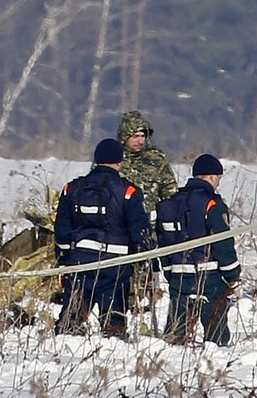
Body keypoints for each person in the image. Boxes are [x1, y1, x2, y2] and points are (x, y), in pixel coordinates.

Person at [54, 138, 150, 339]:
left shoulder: (71, 189)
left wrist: (64, 259)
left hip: (79, 264)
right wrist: (145, 261)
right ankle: (111, 352)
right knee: (113, 325)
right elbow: (139, 232)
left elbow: (62, 229)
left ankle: (63, 353)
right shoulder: (128, 191)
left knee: (70, 323)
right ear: (119, 161)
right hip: (115, 266)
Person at [157, 154, 240, 346]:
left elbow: (163, 243)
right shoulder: (212, 204)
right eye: (218, 178)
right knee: (216, 338)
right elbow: (222, 242)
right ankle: (215, 363)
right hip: (209, 278)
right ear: (211, 177)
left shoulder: (170, 204)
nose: (218, 182)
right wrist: (232, 274)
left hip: (178, 277)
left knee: (175, 339)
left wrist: (169, 271)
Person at [116, 110, 178, 323]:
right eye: (135, 136)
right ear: (124, 136)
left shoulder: (156, 158)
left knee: (146, 272)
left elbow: (169, 192)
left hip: (147, 229)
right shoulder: (113, 159)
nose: (140, 140)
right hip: (118, 229)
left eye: (143, 136)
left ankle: (143, 311)